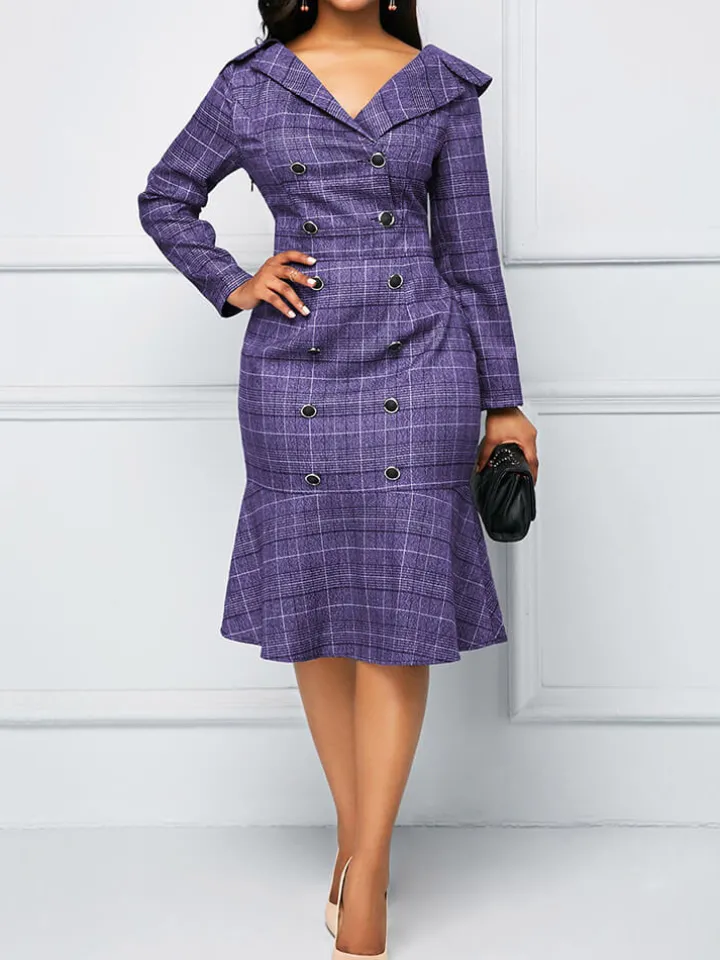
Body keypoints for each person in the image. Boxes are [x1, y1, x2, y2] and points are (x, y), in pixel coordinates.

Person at [137, 1, 539, 956]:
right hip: (296, 370)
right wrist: (233, 280)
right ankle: (358, 848)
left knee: (399, 613)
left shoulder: (439, 85)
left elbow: (471, 258)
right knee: (316, 607)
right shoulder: (252, 84)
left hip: (424, 363)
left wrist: (505, 402)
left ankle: (370, 867)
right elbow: (166, 195)